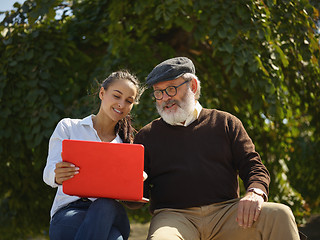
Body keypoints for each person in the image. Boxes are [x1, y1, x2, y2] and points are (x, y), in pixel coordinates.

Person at [134, 57, 305, 240]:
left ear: (192, 86)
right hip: (173, 217)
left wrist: (255, 193)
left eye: (170, 89)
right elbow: (135, 200)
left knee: (280, 214)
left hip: (227, 213)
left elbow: (253, 165)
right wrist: (131, 185)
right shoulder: (146, 136)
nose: (165, 98)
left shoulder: (226, 122)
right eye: (158, 93)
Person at [43, 70, 144, 240]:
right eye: (116, 96)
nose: (121, 104)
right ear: (102, 93)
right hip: (69, 212)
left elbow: (131, 198)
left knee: (105, 204)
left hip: (111, 213)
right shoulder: (68, 127)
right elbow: (48, 174)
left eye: (129, 101)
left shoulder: (126, 146)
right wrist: (57, 174)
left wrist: (135, 181)